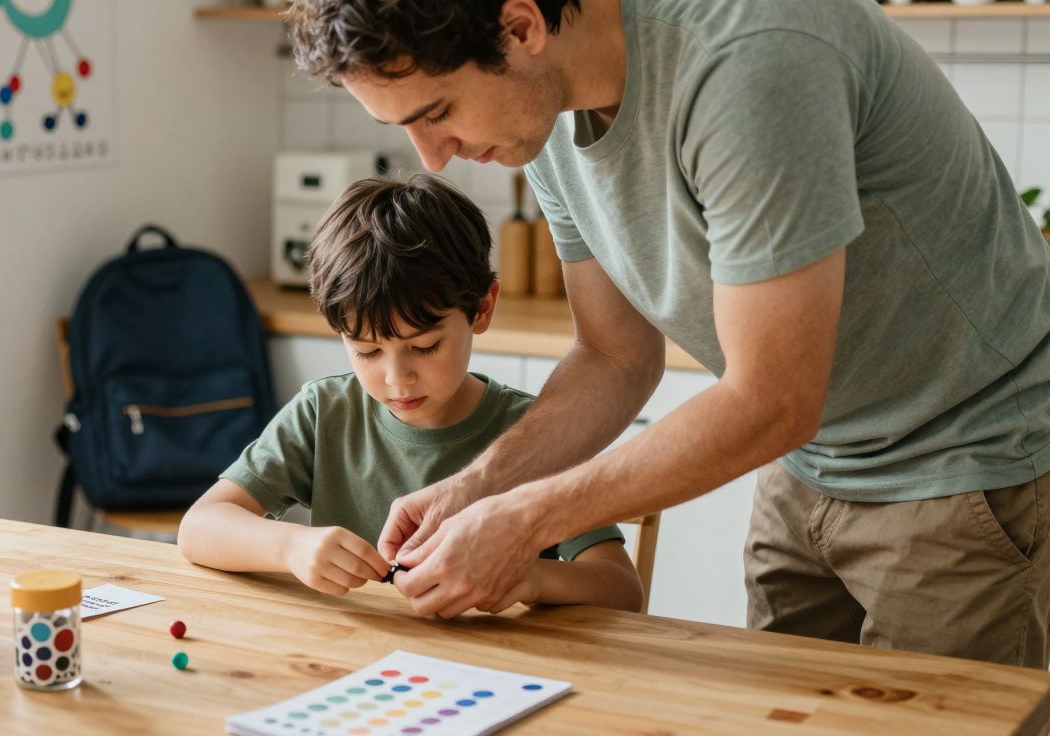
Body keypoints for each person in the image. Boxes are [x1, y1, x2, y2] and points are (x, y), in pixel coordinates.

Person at [289, 0, 1050, 667]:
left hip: (967, 462)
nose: (434, 157)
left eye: (438, 112)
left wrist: (526, 520)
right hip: (809, 462)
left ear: (521, 27)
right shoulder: (540, 116)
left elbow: (773, 397)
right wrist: (474, 489)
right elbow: (614, 356)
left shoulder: (749, 57)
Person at [178, 173, 643, 613]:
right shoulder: (324, 413)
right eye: (366, 352)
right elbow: (199, 527)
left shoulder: (537, 436)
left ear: (482, 309)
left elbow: (621, 589)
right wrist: (292, 546)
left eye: (424, 347)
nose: (397, 379)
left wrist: (527, 578)